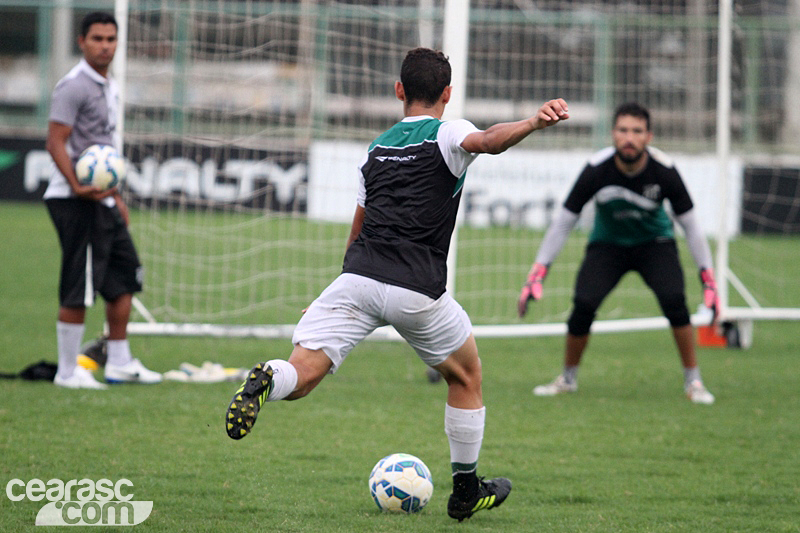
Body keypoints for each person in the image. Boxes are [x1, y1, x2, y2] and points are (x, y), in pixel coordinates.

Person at [225, 47, 569, 520]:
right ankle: (466, 490)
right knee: (465, 375)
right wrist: (533, 122)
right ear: (448, 93)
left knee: (302, 375)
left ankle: (268, 375)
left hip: (359, 278)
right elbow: (488, 140)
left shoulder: (377, 148)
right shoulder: (448, 131)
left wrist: (335, 290)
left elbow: (360, 224)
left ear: (399, 91)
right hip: (415, 289)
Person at [517, 102, 717, 405]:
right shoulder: (597, 168)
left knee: (675, 302)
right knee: (583, 304)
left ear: (648, 137)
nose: (629, 138)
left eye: (637, 131)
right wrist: (539, 271)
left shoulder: (665, 171)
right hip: (607, 246)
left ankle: (694, 381)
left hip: (655, 244)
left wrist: (709, 280)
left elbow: (691, 226)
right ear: (613, 134)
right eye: (623, 130)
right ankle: (567, 378)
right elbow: (563, 222)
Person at [45, 12, 162, 389]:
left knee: (123, 277)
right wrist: (77, 186)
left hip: (103, 199)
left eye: (111, 39)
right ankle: (67, 371)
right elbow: (55, 141)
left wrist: (114, 197)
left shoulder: (109, 85)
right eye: (97, 38)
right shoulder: (74, 86)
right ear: (81, 42)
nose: (105, 45)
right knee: (80, 283)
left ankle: (120, 361)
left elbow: (102, 149)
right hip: (74, 199)